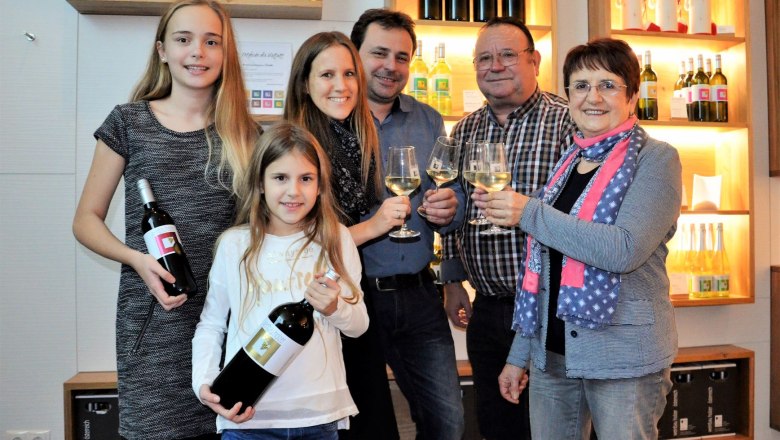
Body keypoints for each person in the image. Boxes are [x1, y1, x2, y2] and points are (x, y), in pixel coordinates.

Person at [71, 1, 261, 438]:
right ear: (161, 50)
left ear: (225, 52)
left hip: (228, 325)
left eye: (212, 41)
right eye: (183, 39)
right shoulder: (128, 122)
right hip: (153, 323)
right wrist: (137, 260)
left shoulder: (247, 134)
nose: (198, 51)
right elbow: (85, 220)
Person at [484, 38, 681, 439]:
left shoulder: (657, 159)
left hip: (624, 360)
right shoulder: (568, 161)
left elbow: (623, 249)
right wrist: (518, 356)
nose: (593, 97)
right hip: (553, 358)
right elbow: (544, 273)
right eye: (580, 85)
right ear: (568, 95)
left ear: (633, 96)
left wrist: (530, 213)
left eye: (608, 84)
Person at [439, 16, 576, 440]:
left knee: (556, 428)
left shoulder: (567, 121)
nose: (494, 65)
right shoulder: (464, 129)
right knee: (498, 427)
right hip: (489, 310)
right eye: (484, 57)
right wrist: (453, 278)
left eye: (506, 55)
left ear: (534, 61)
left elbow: (584, 213)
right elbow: (452, 209)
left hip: (553, 309)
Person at [192, 122, 369, 439]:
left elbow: (358, 325)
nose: (293, 191)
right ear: (260, 183)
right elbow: (212, 323)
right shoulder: (235, 245)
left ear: (320, 186)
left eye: (306, 179)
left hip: (319, 417)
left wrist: (334, 307)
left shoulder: (337, 240)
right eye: (280, 178)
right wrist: (204, 381)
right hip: (248, 419)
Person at [349, 9, 466, 440]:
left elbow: (453, 194)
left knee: (448, 423)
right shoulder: (332, 117)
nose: (391, 66)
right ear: (354, 54)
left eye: (402, 57)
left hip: (419, 297)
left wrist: (450, 206)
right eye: (379, 53)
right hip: (353, 299)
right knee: (367, 426)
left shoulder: (429, 119)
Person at [283, 31, 406, 439]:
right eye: (327, 75)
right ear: (304, 83)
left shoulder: (353, 138)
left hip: (348, 294)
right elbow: (297, 246)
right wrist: (374, 227)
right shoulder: (295, 144)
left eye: (349, 73)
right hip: (310, 305)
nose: (341, 86)